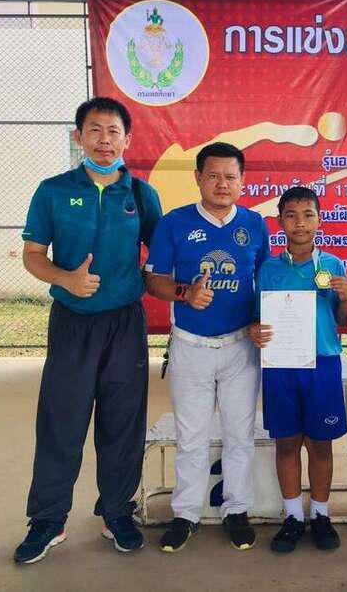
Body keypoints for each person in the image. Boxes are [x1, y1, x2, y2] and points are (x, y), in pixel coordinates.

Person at [14, 97, 162, 564]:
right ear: (79, 136)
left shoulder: (141, 195)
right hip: (72, 323)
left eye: (114, 131)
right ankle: (47, 520)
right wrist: (66, 279)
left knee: (123, 421)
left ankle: (116, 512)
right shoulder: (53, 191)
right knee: (61, 421)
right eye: (95, 130)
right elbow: (33, 255)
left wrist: (185, 288)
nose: (104, 140)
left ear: (127, 140)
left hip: (125, 323)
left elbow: (160, 256)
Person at [144, 142, 270, 552]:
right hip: (190, 347)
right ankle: (186, 514)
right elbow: (153, 280)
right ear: (197, 177)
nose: (222, 184)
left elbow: (265, 282)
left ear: (242, 181)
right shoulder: (174, 223)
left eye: (230, 177)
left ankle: (237, 510)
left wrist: (260, 320)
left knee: (239, 434)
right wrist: (185, 293)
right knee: (192, 437)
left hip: (240, 348)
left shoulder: (254, 224)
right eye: (213, 176)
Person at [248, 186, 347, 553]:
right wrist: (254, 329)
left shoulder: (333, 266)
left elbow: (343, 319)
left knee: (321, 444)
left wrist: (346, 297)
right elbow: (257, 317)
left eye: (308, 215)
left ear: (319, 220)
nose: (300, 223)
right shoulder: (269, 269)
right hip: (281, 365)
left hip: (322, 364)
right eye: (291, 216)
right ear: (280, 222)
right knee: (287, 442)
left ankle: (320, 515)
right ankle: (292, 516)